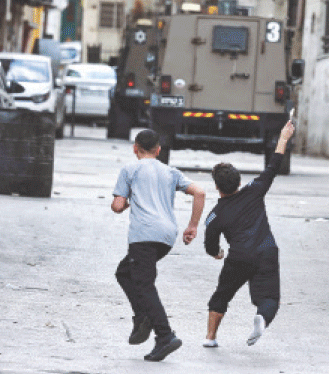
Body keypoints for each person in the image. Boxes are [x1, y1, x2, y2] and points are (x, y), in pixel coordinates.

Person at [111, 129, 206, 361]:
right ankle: (142, 316)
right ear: (158, 150)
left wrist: (126, 201)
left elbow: (116, 205)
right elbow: (200, 192)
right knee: (124, 273)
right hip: (166, 236)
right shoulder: (169, 171)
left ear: (135, 148)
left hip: (143, 235)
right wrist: (192, 226)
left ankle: (164, 335)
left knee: (143, 285)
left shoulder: (130, 170)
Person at [201, 120, 294, 348]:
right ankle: (262, 317)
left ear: (217, 187)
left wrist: (218, 253)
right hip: (266, 252)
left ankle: (210, 338)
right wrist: (283, 138)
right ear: (239, 182)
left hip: (239, 257)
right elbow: (273, 165)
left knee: (221, 296)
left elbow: (210, 243)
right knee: (269, 299)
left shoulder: (216, 214)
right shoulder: (254, 190)